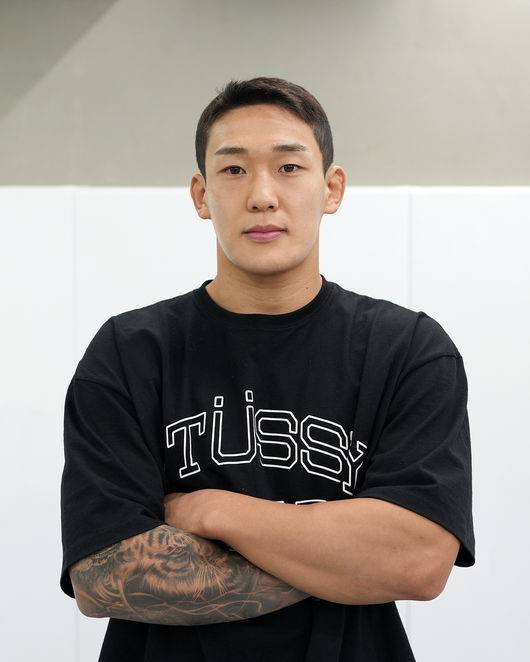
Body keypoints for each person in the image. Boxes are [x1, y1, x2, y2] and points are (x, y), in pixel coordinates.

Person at [59, 76, 475, 662]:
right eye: (233, 170)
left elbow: (419, 562)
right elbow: (103, 576)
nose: (261, 195)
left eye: (289, 167)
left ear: (331, 188)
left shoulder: (408, 350)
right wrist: (345, 559)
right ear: (201, 195)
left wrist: (217, 512)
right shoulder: (129, 352)